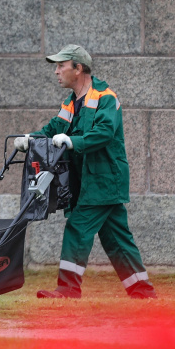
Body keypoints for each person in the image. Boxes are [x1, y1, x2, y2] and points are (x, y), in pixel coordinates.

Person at [15, 44, 157, 299]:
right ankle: (143, 292)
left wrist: (72, 142)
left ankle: (68, 289)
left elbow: (103, 133)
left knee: (78, 228)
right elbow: (52, 129)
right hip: (91, 183)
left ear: (78, 69)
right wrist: (30, 139)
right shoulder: (71, 103)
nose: (56, 71)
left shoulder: (105, 98)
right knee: (117, 240)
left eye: (61, 66)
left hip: (103, 181)